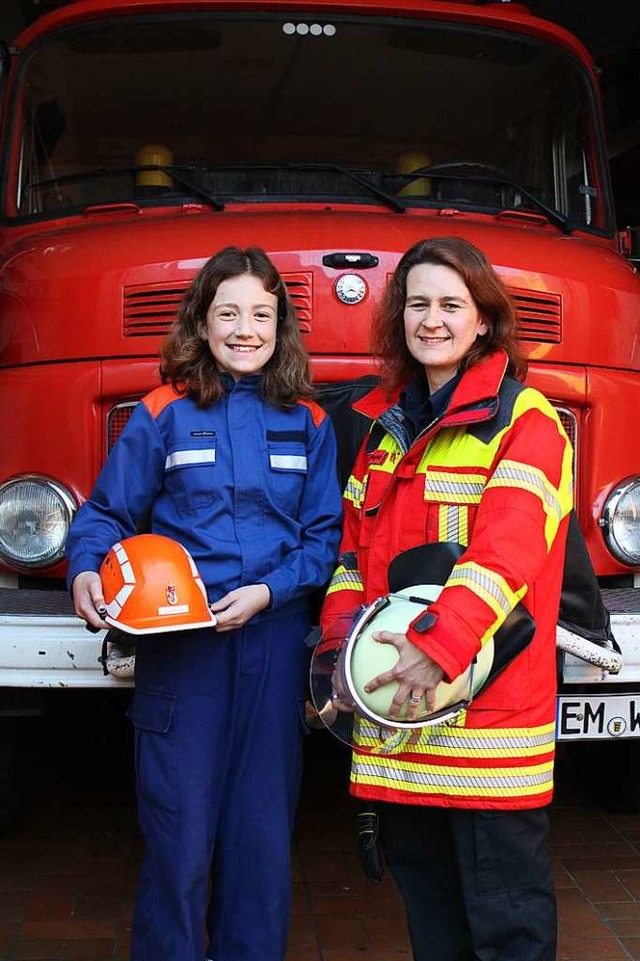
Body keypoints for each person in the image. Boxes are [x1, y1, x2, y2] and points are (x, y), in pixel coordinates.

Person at [65, 245, 343, 961]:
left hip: (273, 645)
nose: (245, 329)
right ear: (202, 321)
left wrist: (269, 592)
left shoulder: (307, 423)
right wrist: (84, 569)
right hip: (182, 653)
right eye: (228, 313)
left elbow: (323, 541)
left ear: (281, 326)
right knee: (177, 837)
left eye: (261, 314)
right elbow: (104, 514)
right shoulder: (162, 413)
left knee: (259, 843)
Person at [320, 235, 574, 961]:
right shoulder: (384, 434)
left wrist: (436, 645)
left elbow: (507, 551)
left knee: (507, 935)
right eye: (418, 303)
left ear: (485, 320)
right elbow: (352, 561)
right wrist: (337, 652)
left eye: (451, 304)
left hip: (485, 732)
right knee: (434, 932)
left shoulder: (526, 422)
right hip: (402, 729)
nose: (432, 319)